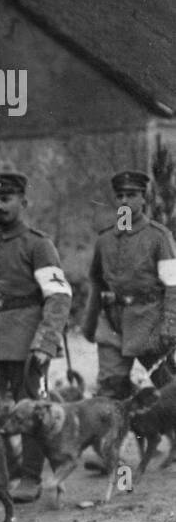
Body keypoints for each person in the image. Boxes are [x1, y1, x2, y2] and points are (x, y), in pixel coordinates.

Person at [0, 170, 71, 502]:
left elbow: (59, 295)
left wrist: (45, 342)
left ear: (23, 202)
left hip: (27, 339)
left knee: (30, 410)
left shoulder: (38, 245)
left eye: (5, 199)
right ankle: (9, 466)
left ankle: (31, 478)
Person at [83, 169, 176, 397]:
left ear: (143, 198)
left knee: (168, 386)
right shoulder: (104, 240)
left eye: (131, 195)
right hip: (113, 325)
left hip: (149, 323)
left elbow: (172, 284)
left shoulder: (158, 237)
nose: (124, 200)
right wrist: (90, 321)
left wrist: (170, 324)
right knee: (109, 387)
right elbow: (96, 282)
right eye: (120, 196)